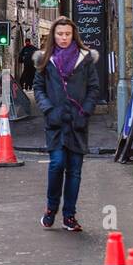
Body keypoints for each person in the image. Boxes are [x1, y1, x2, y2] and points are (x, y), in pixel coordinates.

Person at [32, 17, 101, 232]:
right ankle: (51, 208)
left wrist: (85, 111)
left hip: (77, 122)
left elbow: (93, 89)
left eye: (67, 34)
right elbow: (38, 88)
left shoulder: (85, 59)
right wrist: (48, 109)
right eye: (60, 34)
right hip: (56, 122)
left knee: (75, 171)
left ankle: (69, 216)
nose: (63, 38)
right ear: (53, 35)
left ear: (73, 35)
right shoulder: (46, 60)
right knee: (57, 164)